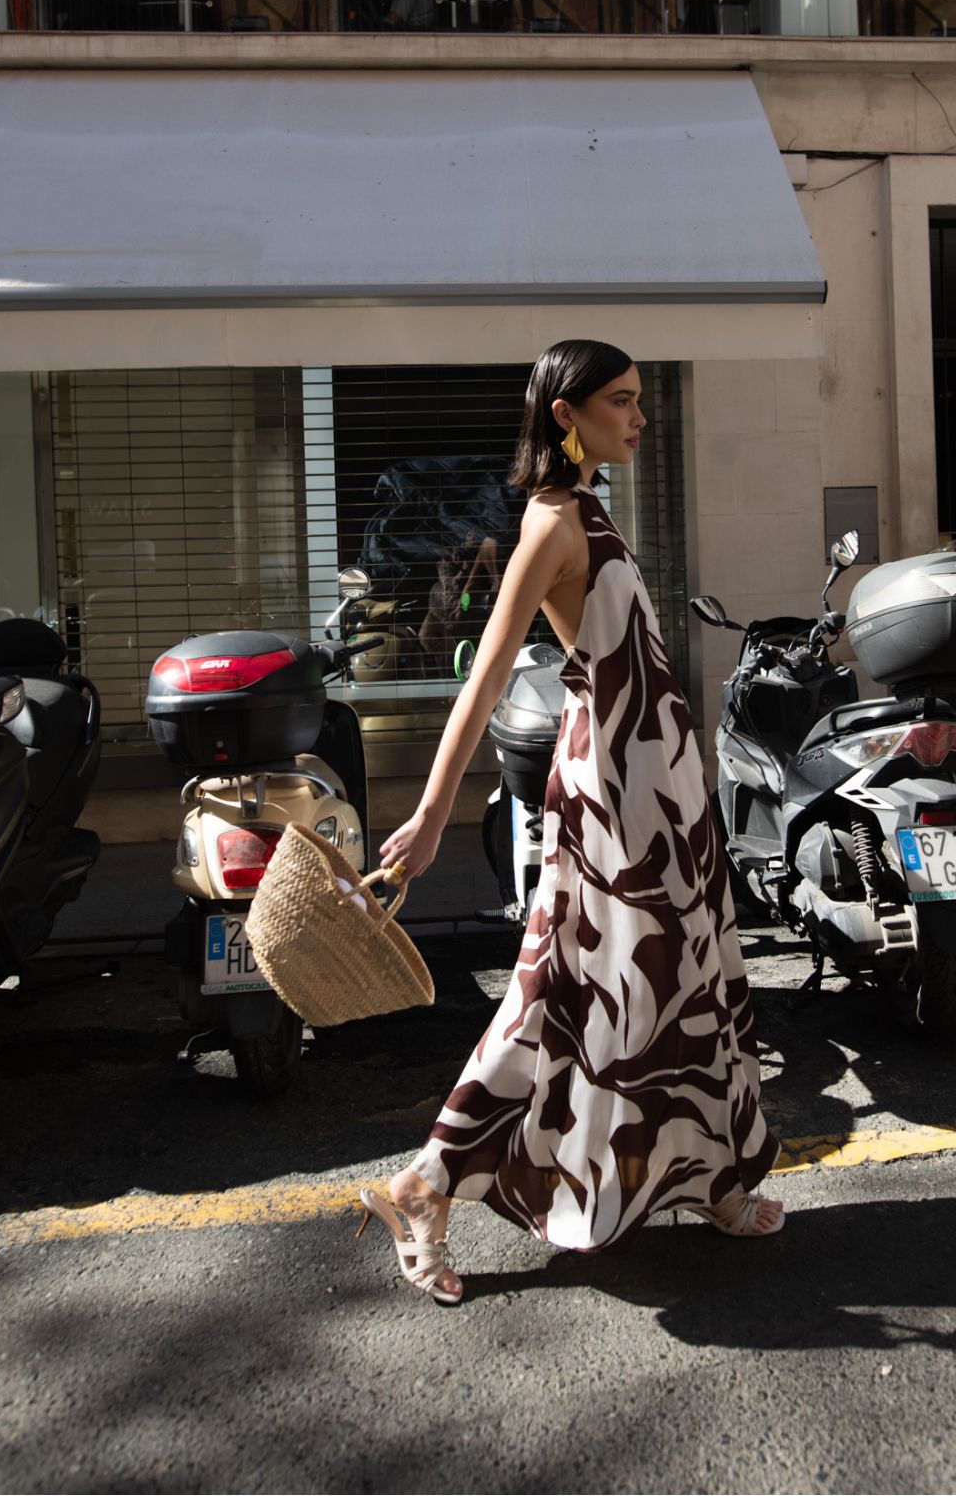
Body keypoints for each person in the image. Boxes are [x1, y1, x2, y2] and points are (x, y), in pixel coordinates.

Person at [356, 341, 783, 1305]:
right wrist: (429, 815)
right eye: (621, 403)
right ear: (566, 415)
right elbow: (486, 672)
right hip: (617, 797)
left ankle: (707, 1178)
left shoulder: (593, 507)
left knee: (679, 983)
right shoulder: (549, 522)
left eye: (639, 401)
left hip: (658, 788)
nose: (640, 418)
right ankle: (426, 1184)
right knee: (577, 994)